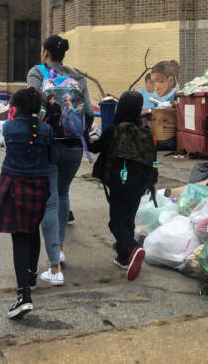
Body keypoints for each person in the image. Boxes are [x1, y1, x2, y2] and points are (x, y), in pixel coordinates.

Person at [27, 34, 94, 286]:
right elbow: (88, 112)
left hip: (47, 145)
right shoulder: (78, 78)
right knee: (64, 194)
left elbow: (31, 104)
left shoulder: (37, 72)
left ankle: (54, 266)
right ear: (63, 54)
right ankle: (61, 248)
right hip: (74, 147)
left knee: (50, 202)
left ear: (45, 52)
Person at [0, 88, 52, 319]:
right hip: (39, 186)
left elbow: (13, 129)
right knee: (32, 230)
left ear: (17, 107)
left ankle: (23, 295)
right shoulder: (46, 130)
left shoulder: (9, 127)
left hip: (14, 185)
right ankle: (32, 273)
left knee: (19, 237)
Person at [90, 91, 156, 281]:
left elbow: (95, 147)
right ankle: (124, 256)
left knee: (116, 222)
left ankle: (134, 248)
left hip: (119, 183)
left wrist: (82, 137)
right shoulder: (145, 132)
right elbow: (154, 160)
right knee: (128, 220)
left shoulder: (113, 130)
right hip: (140, 184)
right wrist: (153, 180)